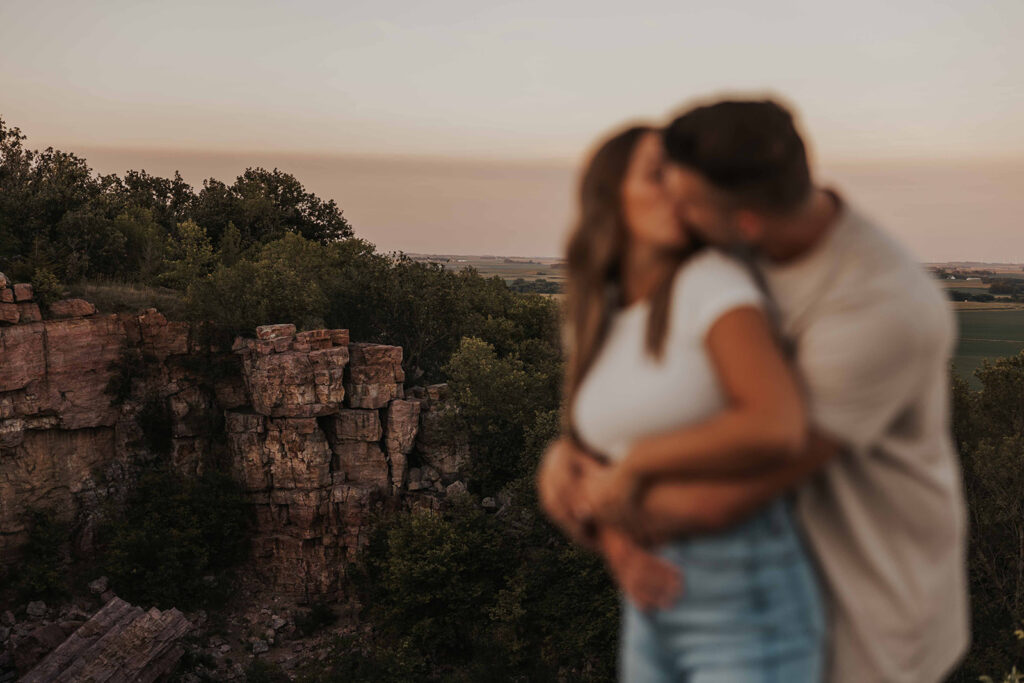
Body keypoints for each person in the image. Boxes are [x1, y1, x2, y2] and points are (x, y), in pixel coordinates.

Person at [539, 98, 970, 683]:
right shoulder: (732, 249)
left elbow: (730, 496)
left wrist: (598, 493)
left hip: (867, 602)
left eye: (680, 192)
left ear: (741, 223)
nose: (673, 203)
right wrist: (574, 466)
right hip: (701, 586)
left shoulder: (883, 310)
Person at [548, 122, 826, 682]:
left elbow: (776, 425)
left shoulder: (712, 281)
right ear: (610, 194)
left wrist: (639, 465)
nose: (679, 190)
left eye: (685, 176)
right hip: (653, 599)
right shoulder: (605, 313)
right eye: (658, 175)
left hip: (742, 595)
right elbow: (589, 457)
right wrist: (619, 549)